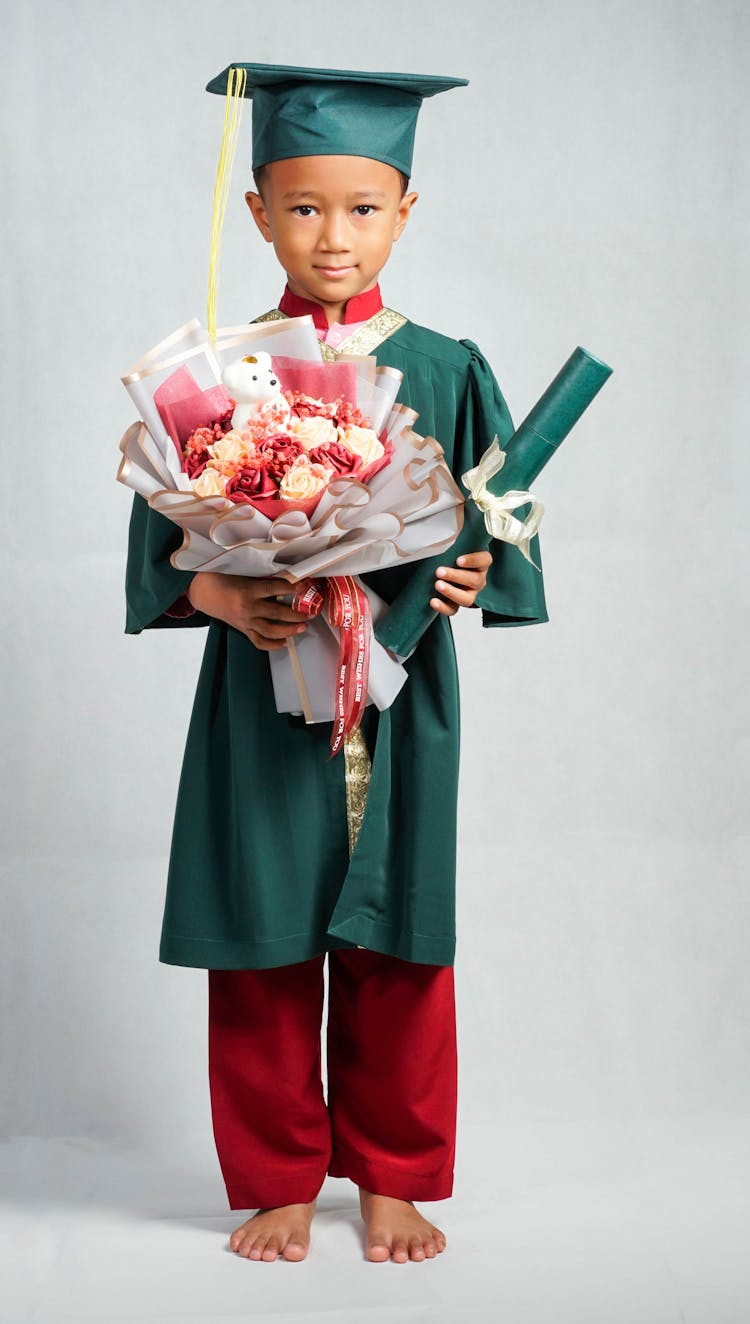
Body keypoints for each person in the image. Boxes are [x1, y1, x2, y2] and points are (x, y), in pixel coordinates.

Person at [124, 63, 548, 1265]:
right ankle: (278, 1177)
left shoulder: (452, 364)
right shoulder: (220, 366)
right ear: (256, 210)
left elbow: (500, 521)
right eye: (303, 207)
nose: (334, 235)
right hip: (261, 692)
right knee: (259, 932)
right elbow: (161, 546)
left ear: (407, 210)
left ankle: (396, 1177)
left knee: (401, 935)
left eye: (363, 207)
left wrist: (474, 573)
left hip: (402, 689)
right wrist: (208, 586)